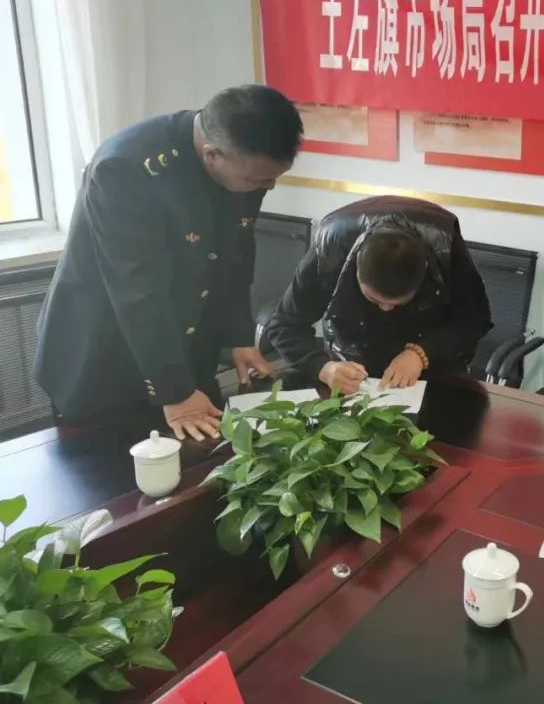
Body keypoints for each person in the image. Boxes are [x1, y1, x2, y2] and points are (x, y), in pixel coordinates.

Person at [35, 85, 304, 441]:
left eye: (274, 177)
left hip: (185, 352)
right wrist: (174, 391)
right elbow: (137, 291)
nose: (268, 187)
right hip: (105, 356)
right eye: (259, 180)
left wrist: (239, 336)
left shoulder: (244, 163)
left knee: (204, 458)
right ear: (212, 155)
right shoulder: (125, 169)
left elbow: (235, 253)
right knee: (112, 469)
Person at [264, 196, 492, 394]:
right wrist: (323, 368)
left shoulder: (445, 246)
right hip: (351, 372)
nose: (386, 309)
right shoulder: (332, 247)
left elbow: (473, 320)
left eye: (399, 303)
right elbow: (284, 324)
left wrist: (422, 352)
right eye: (374, 300)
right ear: (354, 269)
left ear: (424, 272)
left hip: (430, 374)